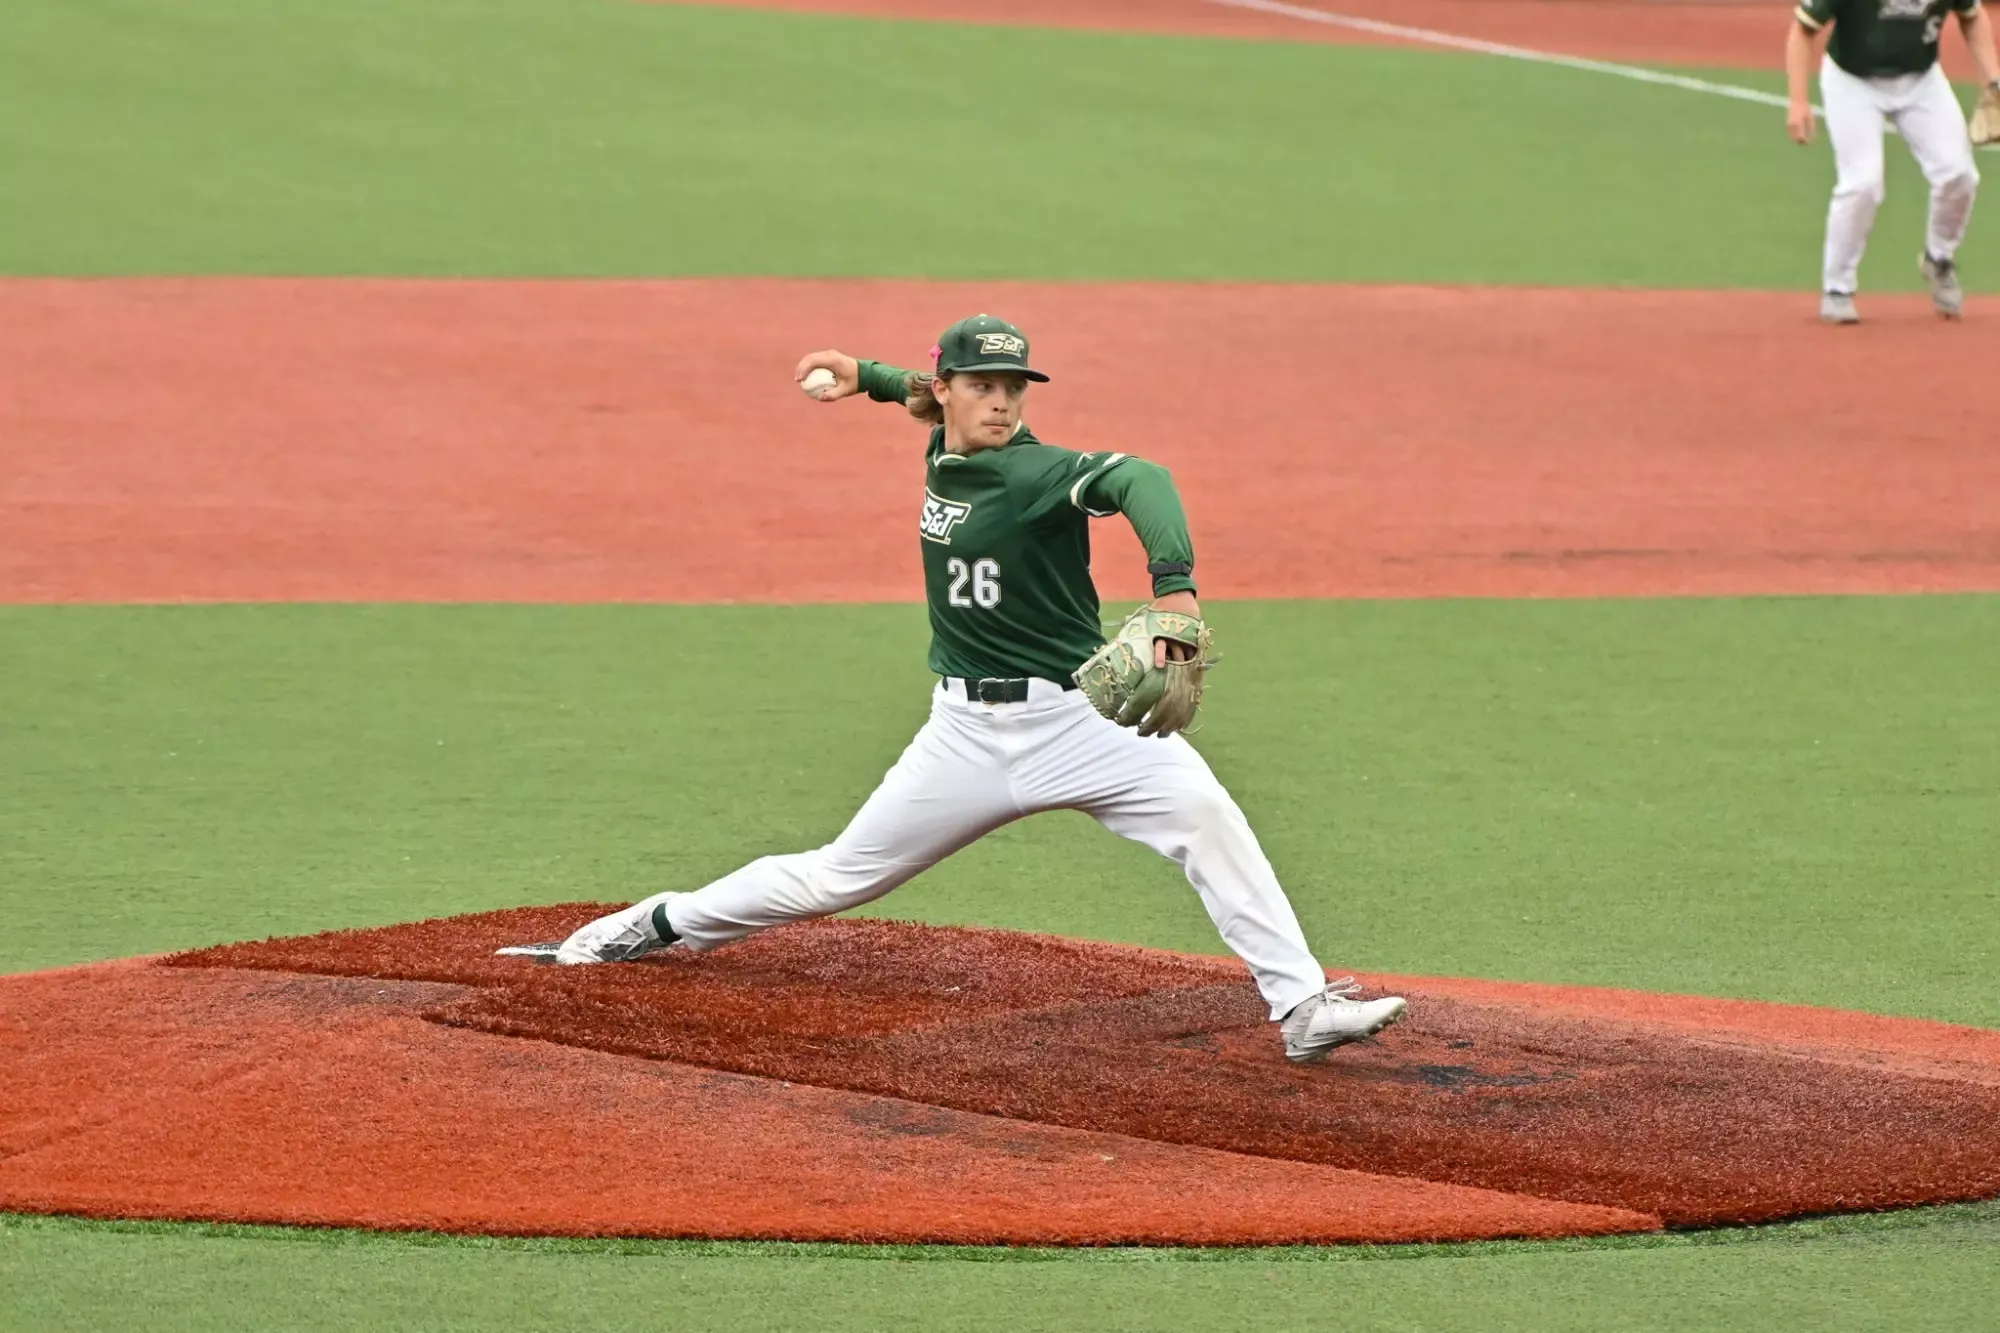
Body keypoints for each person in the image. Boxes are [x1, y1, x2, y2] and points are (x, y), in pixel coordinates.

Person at [549, 315, 1406, 1063]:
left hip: (1081, 722)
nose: (1002, 401)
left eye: (1014, 387)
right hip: (961, 736)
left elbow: (1142, 477)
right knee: (835, 878)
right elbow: (919, 397)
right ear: (950, 389)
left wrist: (1173, 586)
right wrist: (869, 379)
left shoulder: (1037, 474)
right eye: (984, 385)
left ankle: (1301, 1008)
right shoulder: (944, 442)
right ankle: (651, 923)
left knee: (1208, 819)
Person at [1786, 0, 2000, 323]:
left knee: (1959, 174)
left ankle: (1939, 257)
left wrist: (1993, 81)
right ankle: (1837, 287)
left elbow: (1972, 17)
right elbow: (1802, 31)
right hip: (1852, 81)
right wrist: (1798, 101)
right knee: (1863, 183)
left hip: (1921, 81)